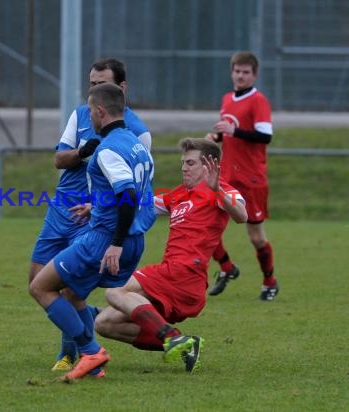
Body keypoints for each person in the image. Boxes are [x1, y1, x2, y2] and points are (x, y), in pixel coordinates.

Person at [29, 58, 152, 372]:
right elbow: (62, 160)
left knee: (49, 288)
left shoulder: (119, 144)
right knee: (58, 286)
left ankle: (85, 351)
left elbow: (131, 194)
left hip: (102, 231)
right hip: (86, 217)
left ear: (102, 109)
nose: (92, 94)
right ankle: (90, 352)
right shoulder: (126, 143)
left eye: (99, 88)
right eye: (91, 85)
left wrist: (116, 239)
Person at [94, 137, 247, 373]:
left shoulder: (222, 189)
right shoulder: (178, 194)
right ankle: (185, 345)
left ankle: (171, 335)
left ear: (210, 164)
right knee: (104, 323)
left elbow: (241, 215)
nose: (184, 168)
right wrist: (93, 204)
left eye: (190, 163)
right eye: (182, 163)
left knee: (115, 291)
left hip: (186, 273)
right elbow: (138, 203)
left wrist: (218, 191)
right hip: (173, 278)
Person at [205, 51, 279, 301]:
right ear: (232, 72)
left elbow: (265, 135)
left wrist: (233, 130)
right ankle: (227, 267)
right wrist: (215, 137)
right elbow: (227, 132)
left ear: (254, 75)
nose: (240, 75)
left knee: (255, 236)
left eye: (246, 72)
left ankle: (270, 282)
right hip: (226, 176)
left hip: (252, 179)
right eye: (237, 71)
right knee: (205, 224)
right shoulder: (227, 98)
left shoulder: (259, 101)